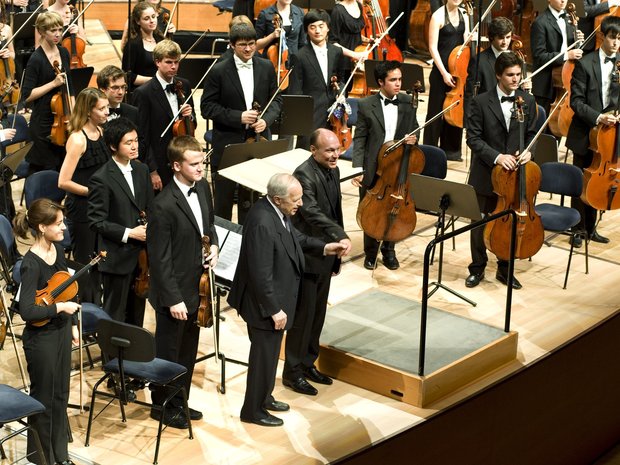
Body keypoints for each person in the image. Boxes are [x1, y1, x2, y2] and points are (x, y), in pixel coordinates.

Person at [228, 173, 347, 427]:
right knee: (263, 358)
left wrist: (325, 248)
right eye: (296, 199)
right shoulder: (262, 222)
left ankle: (264, 398)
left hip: (275, 300)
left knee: (270, 356)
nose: (300, 204)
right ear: (278, 198)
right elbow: (260, 273)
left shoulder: (278, 213)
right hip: (263, 305)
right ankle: (252, 410)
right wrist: (273, 309)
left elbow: (296, 239)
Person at [147, 135, 218, 429]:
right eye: (194, 164)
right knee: (169, 352)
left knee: (188, 349)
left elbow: (209, 225)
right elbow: (159, 260)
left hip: (196, 288)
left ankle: (180, 400)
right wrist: (173, 298)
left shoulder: (203, 189)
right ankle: (162, 405)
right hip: (174, 294)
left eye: (202, 162)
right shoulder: (162, 205)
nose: (201, 168)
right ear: (176, 166)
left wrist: (213, 246)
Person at [282, 129, 351, 396]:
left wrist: (338, 247)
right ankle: (292, 371)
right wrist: (339, 235)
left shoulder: (333, 169)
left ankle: (308, 363)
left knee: (318, 314)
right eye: (329, 150)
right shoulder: (303, 175)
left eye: (337, 149)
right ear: (313, 150)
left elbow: (336, 209)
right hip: (310, 254)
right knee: (303, 316)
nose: (336, 155)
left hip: (327, 253)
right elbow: (310, 212)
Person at [14, 199, 81, 465]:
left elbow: (66, 286)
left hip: (62, 330)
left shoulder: (59, 248)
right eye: (58, 224)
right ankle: (42, 458)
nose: (64, 227)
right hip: (41, 339)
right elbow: (28, 312)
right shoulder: (30, 264)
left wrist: (73, 323)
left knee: (61, 394)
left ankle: (60, 456)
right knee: (44, 397)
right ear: (42, 227)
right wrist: (60, 308)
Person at [465, 51, 537, 290]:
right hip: (486, 172)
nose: (515, 79)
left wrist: (529, 151)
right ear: (498, 75)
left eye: (518, 74)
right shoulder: (480, 101)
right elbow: (473, 139)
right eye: (510, 75)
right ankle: (477, 267)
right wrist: (497, 157)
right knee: (479, 223)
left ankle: (505, 270)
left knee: (510, 221)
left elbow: (531, 135)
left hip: (515, 176)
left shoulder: (527, 101)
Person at [201, 22, 282, 223]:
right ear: (232, 45)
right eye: (242, 45)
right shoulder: (219, 70)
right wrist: (238, 117)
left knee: (252, 198)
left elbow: (277, 101)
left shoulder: (265, 66)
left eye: (252, 44)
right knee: (224, 199)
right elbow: (207, 107)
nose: (248, 49)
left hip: (258, 141)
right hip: (228, 143)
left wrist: (266, 119)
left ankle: (250, 245)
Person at [351, 60, 419, 271]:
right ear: (381, 82)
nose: (398, 84)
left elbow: (415, 129)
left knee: (395, 208)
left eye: (400, 79)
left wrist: (414, 138)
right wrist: (357, 168)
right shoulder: (365, 104)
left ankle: (389, 251)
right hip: (374, 166)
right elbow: (360, 138)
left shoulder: (408, 102)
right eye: (393, 80)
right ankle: (370, 253)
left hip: (398, 166)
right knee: (371, 209)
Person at [88, 117, 154, 326]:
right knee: (115, 315)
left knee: (137, 311)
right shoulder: (101, 178)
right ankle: (113, 358)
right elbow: (96, 221)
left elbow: (150, 207)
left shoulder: (142, 170)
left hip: (142, 256)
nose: (135, 146)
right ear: (113, 146)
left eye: (136, 140)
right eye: (128, 142)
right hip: (116, 256)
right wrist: (129, 233)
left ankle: (135, 356)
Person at [565, 15, 620, 247]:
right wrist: (599, 117)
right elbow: (576, 102)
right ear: (602, 37)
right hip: (586, 132)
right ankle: (577, 229)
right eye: (612, 38)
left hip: (610, 136)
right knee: (582, 180)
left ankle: (591, 227)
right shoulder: (585, 64)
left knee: (600, 179)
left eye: (619, 39)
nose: (616, 43)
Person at [58, 87, 109, 303]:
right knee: (87, 263)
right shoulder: (78, 140)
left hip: (100, 207)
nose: (107, 112)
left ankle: (98, 308)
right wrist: (94, 192)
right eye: (102, 108)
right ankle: (86, 311)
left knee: (101, 260)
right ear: (89, 111)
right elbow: (63, 181)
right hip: (83, 210)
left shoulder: (101, 132)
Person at [133, 39, 194, 190]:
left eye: (176, 62)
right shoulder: (143, 93)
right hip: (160, 163)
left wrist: (190, 116)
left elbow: (192, 126)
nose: (173, 66)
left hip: (183, 159)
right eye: (168, 62)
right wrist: (152, 171)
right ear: (157, 62)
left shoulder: (184, 85)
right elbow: (142, 136)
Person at [22, 11, 74, 173]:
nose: (58, 34)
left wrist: (72, 116)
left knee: (63, 168)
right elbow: (27, 95)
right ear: (42, 32)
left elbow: (69, 87)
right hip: (44, 124)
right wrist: (53, 83)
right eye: (53, 30)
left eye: (60, 29)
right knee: (45, 170)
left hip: (63, 119)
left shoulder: (64, 52)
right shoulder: (36, 59)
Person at [289, 9, 344, 149]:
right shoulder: (299, 56)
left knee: (331, 154)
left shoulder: (336, 52)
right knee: (307, 154)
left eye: (321, 26)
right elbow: (296, 91)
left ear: (328, 28)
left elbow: (341, 79)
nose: (317, 31)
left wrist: (341, 93)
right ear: (307, 31)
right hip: (311, 116)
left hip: (334, 115)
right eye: (312, 27)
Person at [423, 0, 469, 161]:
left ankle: (452, 151)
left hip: (457, 70)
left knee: (455, 109)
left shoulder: (464, 14)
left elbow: (465, 43)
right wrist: (443, 73)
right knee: (435, 111)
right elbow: (432, 48)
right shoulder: (437, 16)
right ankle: (429, 151)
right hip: (440, 71)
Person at [531, 0, 584, 115]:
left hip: (565, 79)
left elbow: (572, 49)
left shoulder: (569, 19)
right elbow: (539, 56)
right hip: (546, 84)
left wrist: (578, 40)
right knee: (542, 126)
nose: (563, 0)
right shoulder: (539, 23)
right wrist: (567, 55)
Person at [464, 17, 515, 121]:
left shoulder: (514, 59)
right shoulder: (479, 61)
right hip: (488, 116)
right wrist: (469, 123)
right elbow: (470, 94)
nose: (505, 42)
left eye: (508, 37)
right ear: (492, 38)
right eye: (501, 38)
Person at [122, 1, 164, 95]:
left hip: (160, 90)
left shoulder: (160, 39)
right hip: (141, 92)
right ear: (138, 21)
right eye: (146, 18)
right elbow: (128, 76)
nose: (152, 21)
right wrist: (156, 80)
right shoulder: (132, 45)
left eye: (153, 16)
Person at [329, 0, 365, 86]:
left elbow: (354, 34)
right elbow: (332, 42)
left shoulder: (359, 5)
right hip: (343, 63)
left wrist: (368, 40)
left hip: (358, 62)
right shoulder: (337, 11)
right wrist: (354, 55)